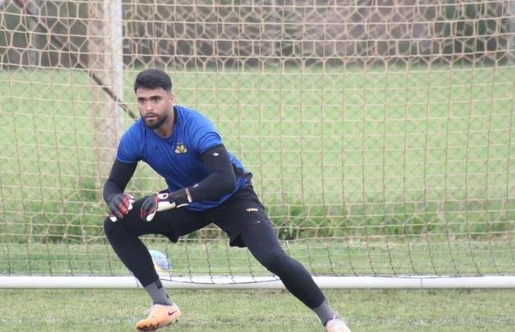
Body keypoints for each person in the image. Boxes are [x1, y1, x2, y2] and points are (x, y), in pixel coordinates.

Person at [103, 68, 351, 332]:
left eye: (156, 99)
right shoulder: (135, 136)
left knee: (272, 257)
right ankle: (163, 305)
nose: (148, 107)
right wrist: (114, 198)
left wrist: (174, 197)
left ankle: (331, 319)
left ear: (171, 98)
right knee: (116, 223)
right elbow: (113, 183)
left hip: (233, 198)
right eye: (142, 101)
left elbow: (224, 180)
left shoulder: (195, 126)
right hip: (187, 203)